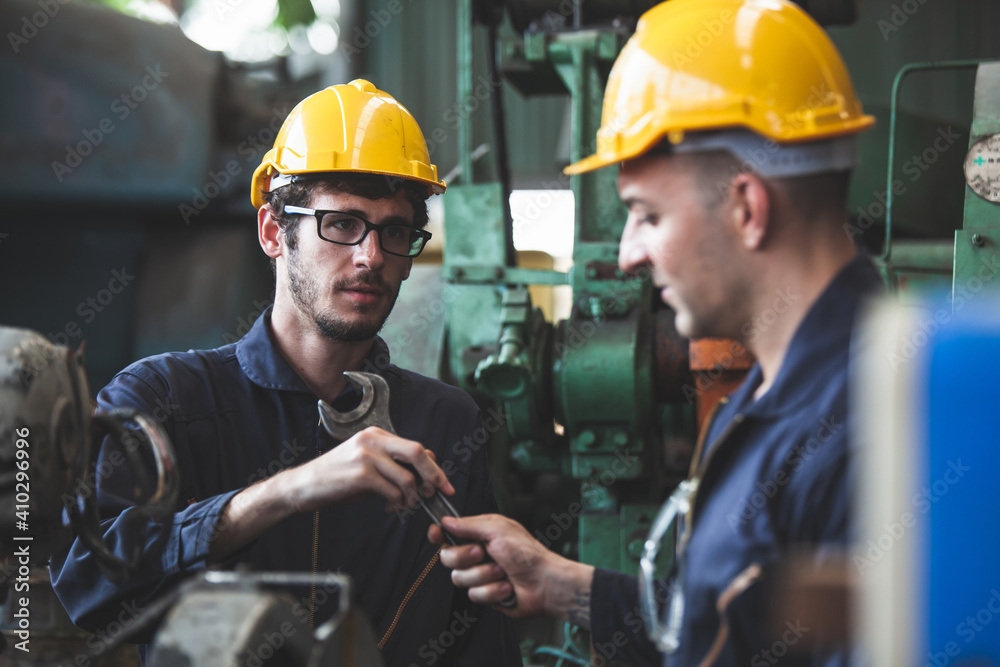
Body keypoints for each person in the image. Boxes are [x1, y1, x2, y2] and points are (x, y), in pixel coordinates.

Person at [430, 0, 881, 664]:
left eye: (646, 215)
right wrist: (564, 585)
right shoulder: (772, 396)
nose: (629, 253)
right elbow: (726, 616)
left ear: (746, 208)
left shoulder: (871, 436)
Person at [50, 79, 521, 667]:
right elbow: (86, 590)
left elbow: (482, 645)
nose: (371, 256)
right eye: (342, 224)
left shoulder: (447, 424)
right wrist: (286, 491)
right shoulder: (163, 400)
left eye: (394, 232)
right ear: (275, 232)